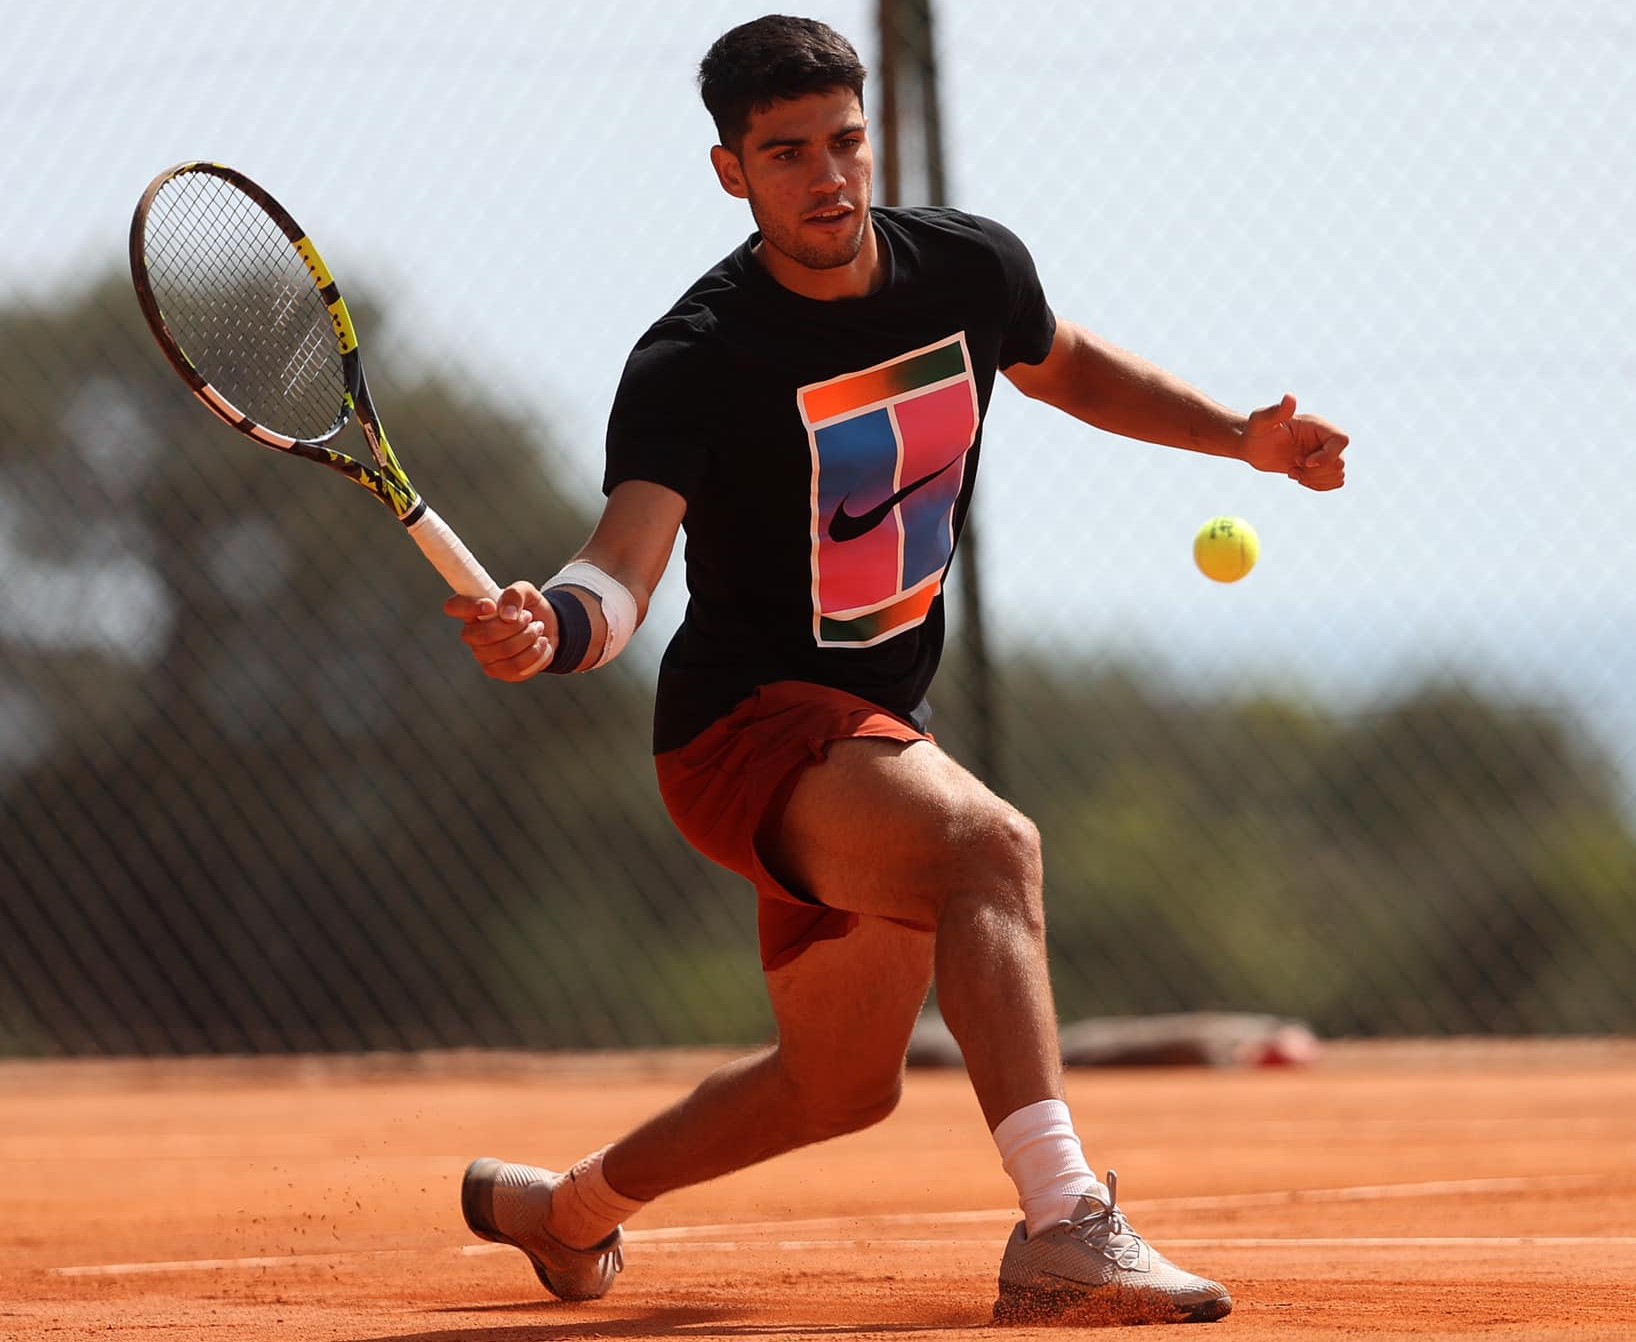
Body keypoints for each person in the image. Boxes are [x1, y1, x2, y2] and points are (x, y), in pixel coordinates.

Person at [445, 14, 1347, 1328]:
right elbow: (621, 564)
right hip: (742, 733)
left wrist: (1240, 440)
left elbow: (1069, 365)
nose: (828, 176)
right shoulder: (695, 357)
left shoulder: (966, 271)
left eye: (846, 142)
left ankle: (563, 1212)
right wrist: (557, 623)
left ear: (875, 141)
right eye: (787, 152)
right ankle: (1064, 1226)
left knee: (840, 1085)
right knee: (992, 847)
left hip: (873, 722)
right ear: (731, 172)